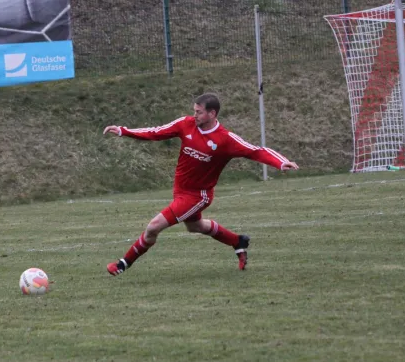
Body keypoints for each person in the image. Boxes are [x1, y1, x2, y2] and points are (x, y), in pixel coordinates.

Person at [103, 93, 299, 276]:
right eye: (194, 111)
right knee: (195, 226)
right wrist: (124, 131)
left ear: (212, 114)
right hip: (180, 190)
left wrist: (281, 162)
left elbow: (255, 151)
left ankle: (123, 264)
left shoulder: (225, 139)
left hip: (198, 195)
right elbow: (156, 132)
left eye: (199, 112)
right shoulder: (185, 124)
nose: (194, 115)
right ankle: (237, 241)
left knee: (153, 227)